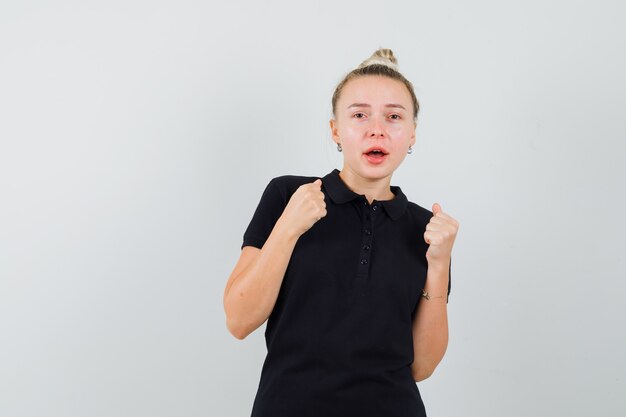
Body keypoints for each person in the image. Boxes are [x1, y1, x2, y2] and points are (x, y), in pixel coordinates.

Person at [223, 48, 459, 417]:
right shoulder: (289, 196)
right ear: (335, 129)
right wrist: (288, 227)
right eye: (359, 115)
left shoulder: (425, 229)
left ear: (412, 134)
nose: (376, 128)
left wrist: (439, 264)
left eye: (394, 116)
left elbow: (421, 367)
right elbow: (239, 319)